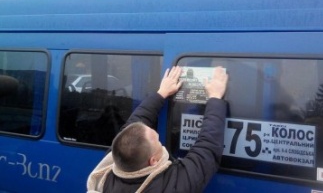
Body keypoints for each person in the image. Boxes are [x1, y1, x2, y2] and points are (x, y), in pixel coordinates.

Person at [87, 66, 228, 193]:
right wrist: (215, 98)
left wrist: (161, 93)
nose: (161, 142)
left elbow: (134, 125)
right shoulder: (174, 185)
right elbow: (207, 150)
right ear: (153, 161)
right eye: (158, 142)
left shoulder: (107, 176)